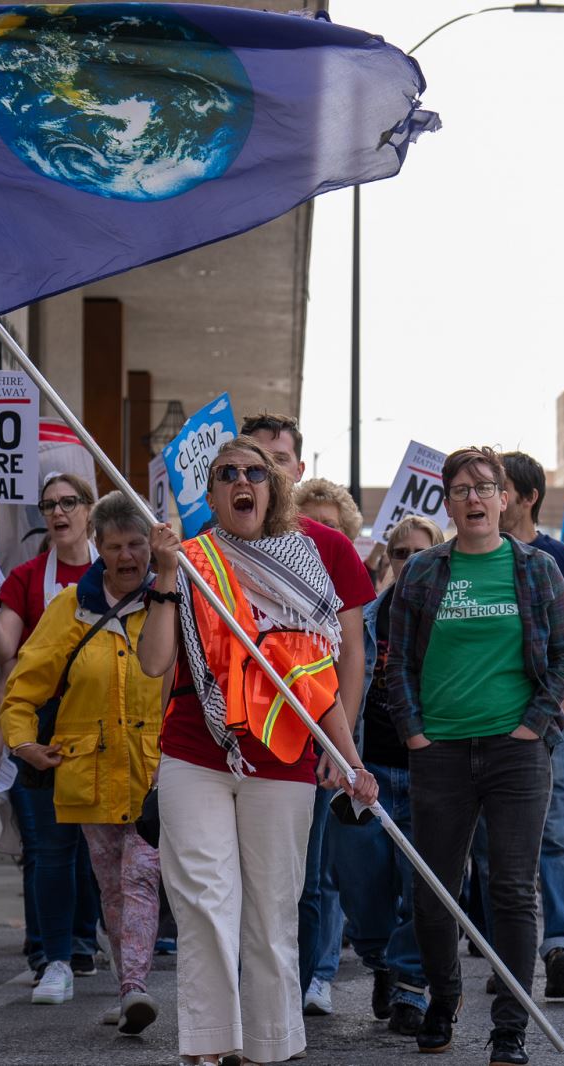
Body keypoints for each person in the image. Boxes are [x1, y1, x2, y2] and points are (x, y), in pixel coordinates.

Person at [139, 435, 378, 1066]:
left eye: (255, 472)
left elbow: (318, 679)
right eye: (226, 474)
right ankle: (210, 1042)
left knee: (273, 908)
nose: (241, 480)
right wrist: (166, 575)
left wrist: (349, 757)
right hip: (196, 750)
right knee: (204, 901)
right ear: (213, 494)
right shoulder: (189, 561)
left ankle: (271, 1045)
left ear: (271, 490)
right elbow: (155, 661)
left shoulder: (307, 563)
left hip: (283, 759)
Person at [388, 447, 564, 1066]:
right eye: (462, 489)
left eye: (485, 488)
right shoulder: (421, 573)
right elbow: (399, 664)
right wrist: (414, 732)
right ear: (448, 502)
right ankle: (445, 999)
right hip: (438, 752)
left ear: (504, 499)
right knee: (435, 890)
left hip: (514, 754)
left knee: (513, 890)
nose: (474, 498)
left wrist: (532, 728)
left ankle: (509, 1027)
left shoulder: (537, 569)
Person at [0, 492, 166, 1033]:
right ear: (97, 547)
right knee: (112, 889)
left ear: (150, 546)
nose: (126, 556)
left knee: (140, 877)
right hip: (90, 773)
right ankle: (128, 988)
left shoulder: (174, 600)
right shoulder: (69, 608)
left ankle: (136, 986)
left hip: (158, 773)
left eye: (136, 544)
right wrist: (23, 743)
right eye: (114, 545)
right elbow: (23, 689)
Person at [239, 414, 375, 1018]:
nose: (268, 469)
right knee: (242, 882)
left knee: (305, 879)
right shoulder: (217, 544)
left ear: (297, 470)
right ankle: (249, 998)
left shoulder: (331, 547)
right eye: (255, 458)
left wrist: (337, 744)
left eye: (280, 458)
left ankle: (293, 995)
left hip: (308, 741)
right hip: (236, 742)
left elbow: (352, 653)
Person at [0, 472, 104, 995]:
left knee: (97, 851)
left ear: (88, 509)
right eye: (49, 505)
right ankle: (51, 953)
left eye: (69, 502)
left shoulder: (113, 566)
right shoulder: (26, 578)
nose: (59, 512)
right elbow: (4, 651)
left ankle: (83, 942)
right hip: (40, 730)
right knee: (48, 850)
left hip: (100, 729)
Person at [332, 514, 444, 1037]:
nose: (411, 563)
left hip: (430, 775)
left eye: (423, 554)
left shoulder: (453, 623)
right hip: (367, 774)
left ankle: (409, 988)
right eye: (402, 554)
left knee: (425, 891)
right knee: (363, 894)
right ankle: (382, 962)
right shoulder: (359, 621)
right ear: (387, 561)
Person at [496, 450, 564, 999]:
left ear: (527, 497)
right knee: (496, 844)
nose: (487, 496)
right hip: (485, 724)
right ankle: (505, 955)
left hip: (550, 729)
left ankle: (561, 947)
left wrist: (561, 702)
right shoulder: (463, 559)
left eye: (500, 487)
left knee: (556, 837)